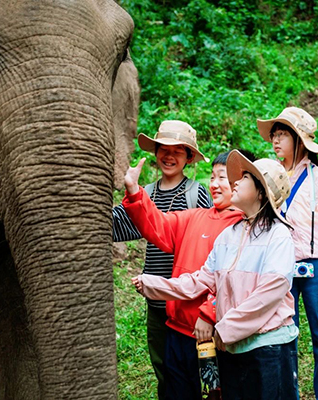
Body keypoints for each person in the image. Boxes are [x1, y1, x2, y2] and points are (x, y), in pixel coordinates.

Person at [131, 150, 299, 400]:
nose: (235, 183)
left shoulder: (279, 236)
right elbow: (200, 281)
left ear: (262, 191)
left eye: (244, 178)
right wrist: (153, 284)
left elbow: (269, 294)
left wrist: (223, 327)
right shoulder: (229, 236)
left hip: (268, 347)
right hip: (232, 347)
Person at [120, 150, 256, 400]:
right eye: (212, 177)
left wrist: (208, 312)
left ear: (242, 182)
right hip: (175, 330)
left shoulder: (245, 226)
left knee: (214, 394)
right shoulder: (195, 217)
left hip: (212, 336)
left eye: (222, 178)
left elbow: (236, 284)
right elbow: (157, 225)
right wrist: (134, 191)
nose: (214, 185)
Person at [112, 120, 212, 400]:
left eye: (178, 151)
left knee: (196, 369)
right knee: (164, 368)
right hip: (157, 300)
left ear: (189, 157)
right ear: (155, 152)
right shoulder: (144, 194)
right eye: (163, 149)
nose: (169, 156)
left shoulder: (198, 194)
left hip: (189, 303)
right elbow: (118, 225)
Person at [257, 107, 318, 400]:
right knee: (284, 339)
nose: (276, 141)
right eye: (274, 135)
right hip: (281, 269)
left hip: (316, 268)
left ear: (298, 139)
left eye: (282, 135)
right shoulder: (270, 177)